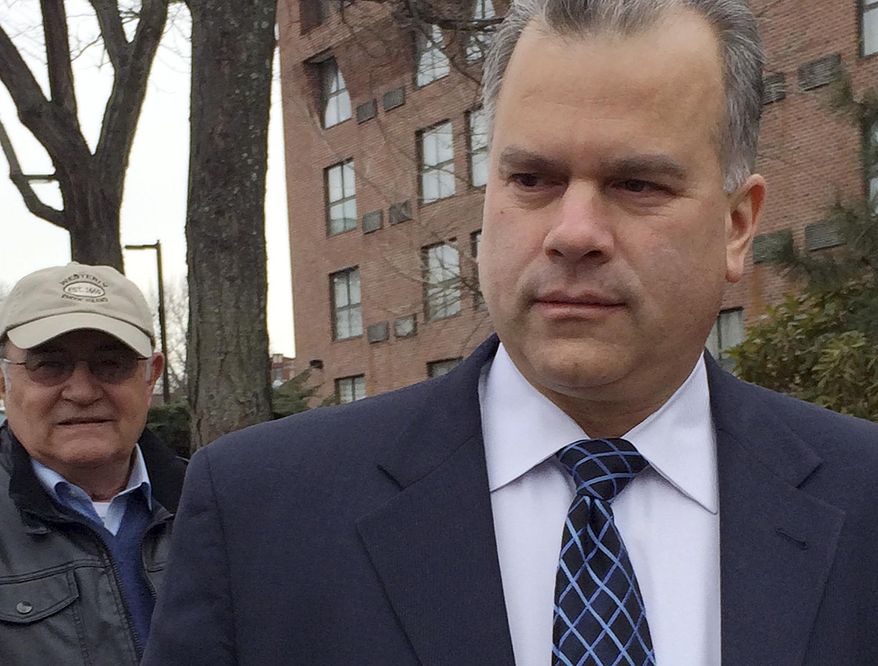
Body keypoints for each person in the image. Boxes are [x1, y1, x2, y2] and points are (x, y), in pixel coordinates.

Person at [144, 0, 878, 664]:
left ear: (737, 226)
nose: (574, 232)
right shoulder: (261, 513)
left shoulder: (862, 498)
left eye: (637, 184)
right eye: (532, 179)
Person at [0, 262, 186, 664]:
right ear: (3, 381)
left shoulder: (217, 508)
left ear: (150, 375)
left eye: (111, 363)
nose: (82, 392)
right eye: (49, 364)